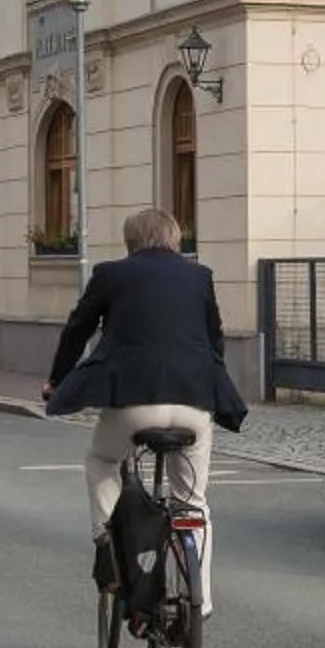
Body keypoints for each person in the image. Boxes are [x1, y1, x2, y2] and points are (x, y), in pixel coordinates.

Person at [44, 206, 224, 615]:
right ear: (175, 239)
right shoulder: (200, 276)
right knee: (193, 502)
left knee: (102, 461)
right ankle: (200, 602)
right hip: (194, 402)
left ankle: (108, 544)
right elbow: (215, 340)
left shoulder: (111, 274)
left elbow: (78, 329)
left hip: (133, 404)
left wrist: (57, 380)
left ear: (131, 243)